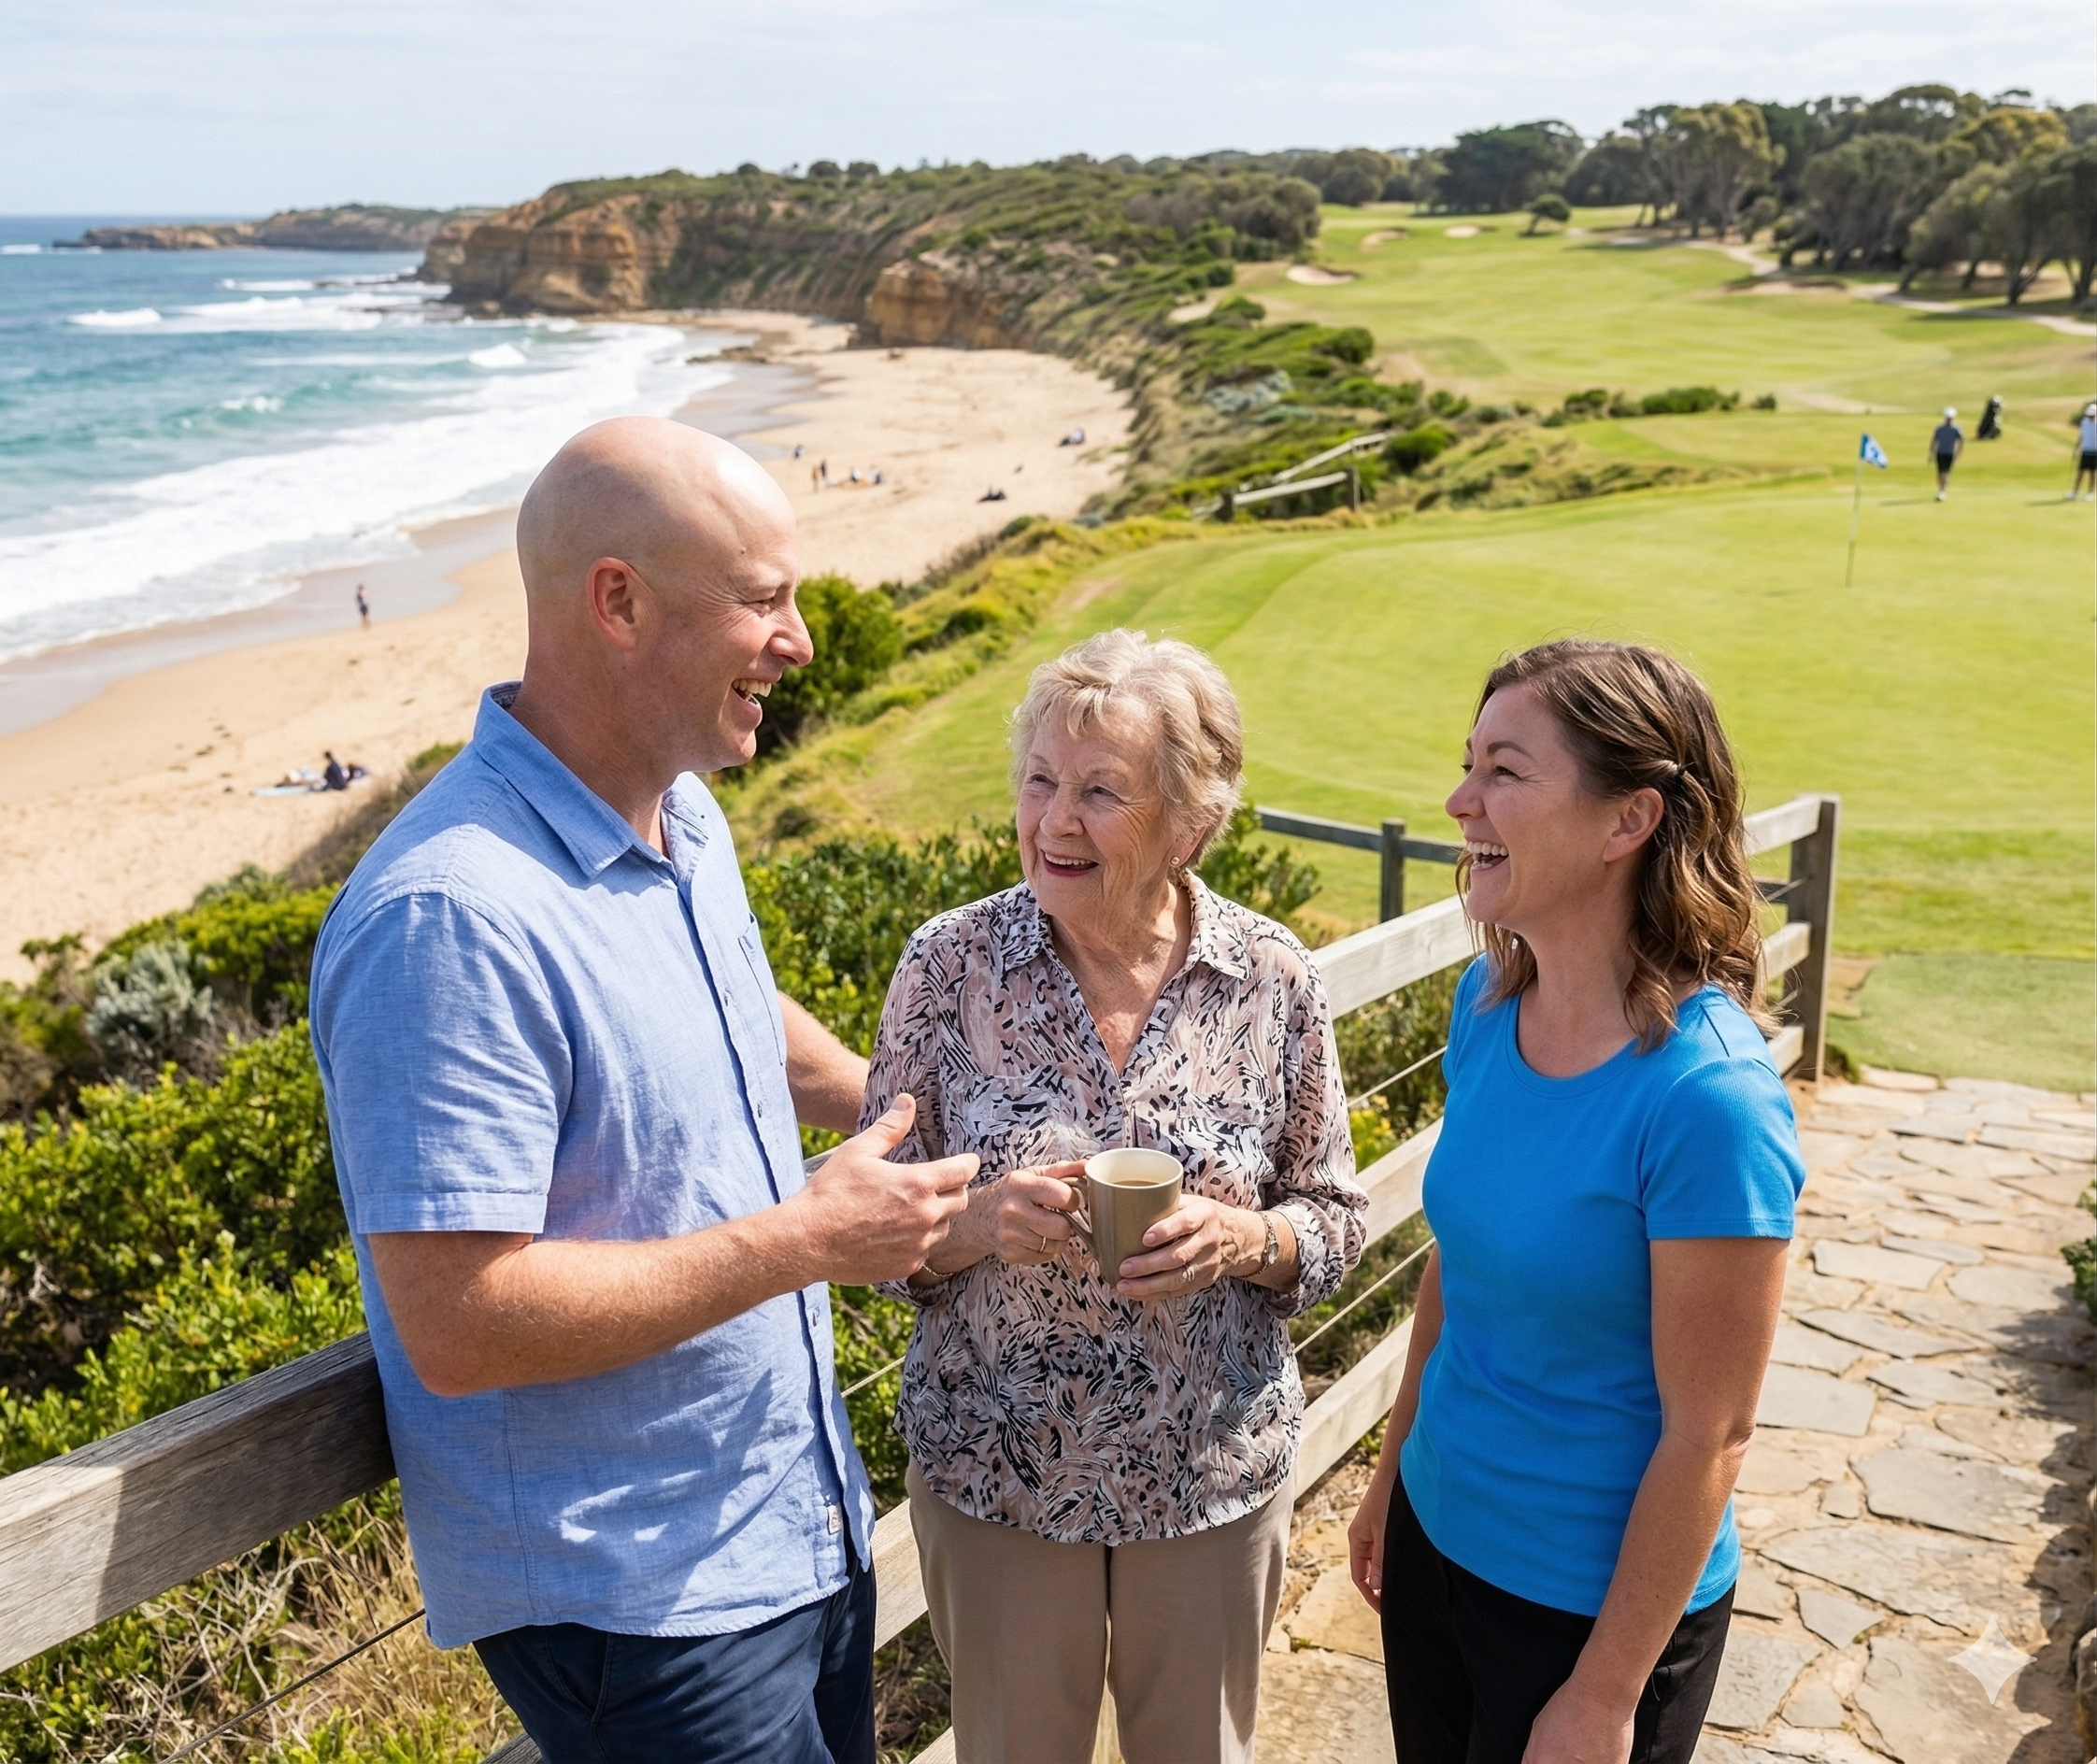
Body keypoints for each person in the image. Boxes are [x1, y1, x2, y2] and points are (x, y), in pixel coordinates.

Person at [307, 418, 978, 1764]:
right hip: (639, 1601)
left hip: (793, 1519)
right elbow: (460, 1321)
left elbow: (723, 1014)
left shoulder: (680, 809)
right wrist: (810, 1241)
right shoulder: (450, 917)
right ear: (616, 601)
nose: (799, 639)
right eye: (762, 599)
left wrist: (884, 1102)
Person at [864, 629, 1367, 1764]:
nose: (1054, 820)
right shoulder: (948, 966)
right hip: (999, 1473)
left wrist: (1241, 1239)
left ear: (1190, 823)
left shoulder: (1271, 976)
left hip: (1209, 1469)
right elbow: (875, 1228)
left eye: (1101, 791)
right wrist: (982, 1222)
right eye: (1041, 781)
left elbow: (1334, 1217)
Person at [1348, 639, 1803, 1764]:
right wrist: (1393, 1474)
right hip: (1440, 1543)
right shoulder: (1487, 1002)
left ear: (1626, 820)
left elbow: (1712, 1431)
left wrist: (1605, 1692)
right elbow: (1459, 1265)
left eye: (1505, 770)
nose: (1461, 802)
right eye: (1468, 765)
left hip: (1591, 1619)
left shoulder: (1710, 1101)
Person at [1930, 405, 1962, 500]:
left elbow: (1961, 440)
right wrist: (1931, 452)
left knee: (1945, 472)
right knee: (1940, 473)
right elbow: (1934, 440)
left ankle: (1942, 490)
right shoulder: (1940, 428)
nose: (1949, 420)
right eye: (1948, 418)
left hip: (1950, 453)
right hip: (1940, 452)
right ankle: (1941, 489)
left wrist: (1958, 452)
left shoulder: (1956, 429)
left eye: (1950, 418)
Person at [2070, 403, 2097, 502]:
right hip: (2085, 451)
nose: (2090, 417)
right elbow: (2081, 436)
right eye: (2089, 415)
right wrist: (2076, 450)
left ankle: (2090, 493)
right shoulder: (2084, 422)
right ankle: (2075, 492)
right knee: (2080, 472)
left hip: (2095, 452)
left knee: (2092, 473)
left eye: (2092, 415)